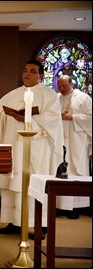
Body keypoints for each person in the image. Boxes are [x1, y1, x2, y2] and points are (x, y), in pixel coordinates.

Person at [0, 59, 64, 239]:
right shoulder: (12, 95)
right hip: (15, 146)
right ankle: (14, 222)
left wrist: (28, 120)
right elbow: (2, 120)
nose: (27, 74)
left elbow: (52, 122)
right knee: (12, 183)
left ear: (40, 75)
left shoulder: (49, 95)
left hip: (36, 149)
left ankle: (40, 225)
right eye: (25, 70)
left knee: (33, 185)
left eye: (32, 71)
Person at [56, 74, 91, 219]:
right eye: (59, 85)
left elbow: (90, 117)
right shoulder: (56, 99)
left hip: (77, 141)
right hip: (60, 140)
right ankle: (59, 205)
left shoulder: (84, 98)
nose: (61, 88)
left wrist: (72, 117)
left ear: (71, 84)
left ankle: (75, 207)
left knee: (75, 171)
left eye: (63, 85)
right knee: (60, 170)